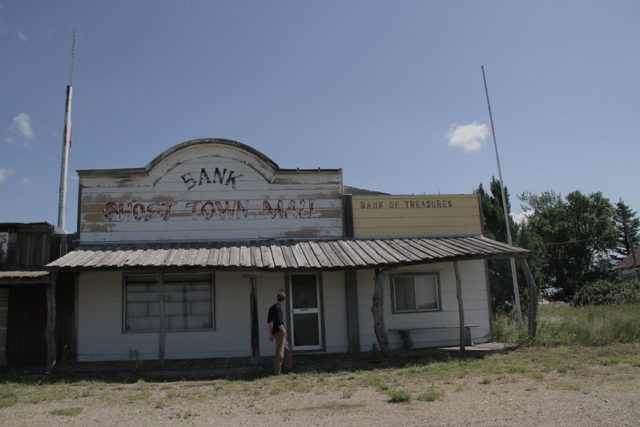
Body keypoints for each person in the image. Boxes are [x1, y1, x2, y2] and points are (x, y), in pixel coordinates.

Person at [267, 289, 292, 375]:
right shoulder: (278, 308)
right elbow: (278, 322)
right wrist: (283, 330)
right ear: (284, 300)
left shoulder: (272, 308)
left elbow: (269, 322)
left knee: (287, 349)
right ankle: (277, 371)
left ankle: (288, 367)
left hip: (275, 332)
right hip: (280, 332)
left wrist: (270, 334)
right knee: (280, 352)